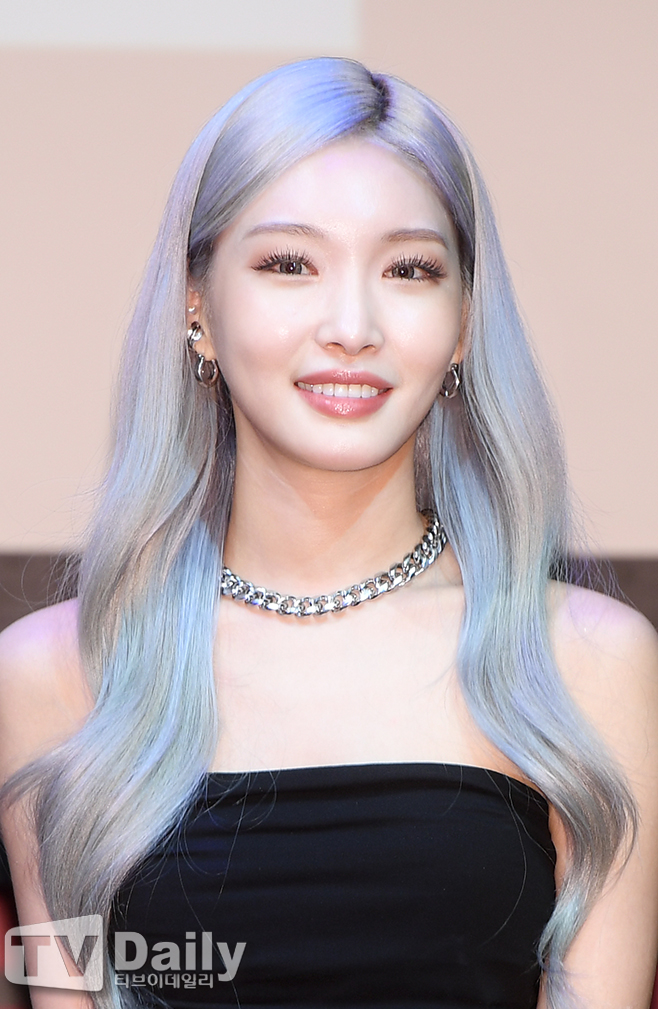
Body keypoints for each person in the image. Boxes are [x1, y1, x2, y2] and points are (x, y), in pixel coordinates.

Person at [0, 56, 657, 1009]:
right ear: (196, 307)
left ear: (463, 323)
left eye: (409, 270)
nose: (352, 325)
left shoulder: (581, 663)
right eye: (289, 264)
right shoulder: (52, 677)